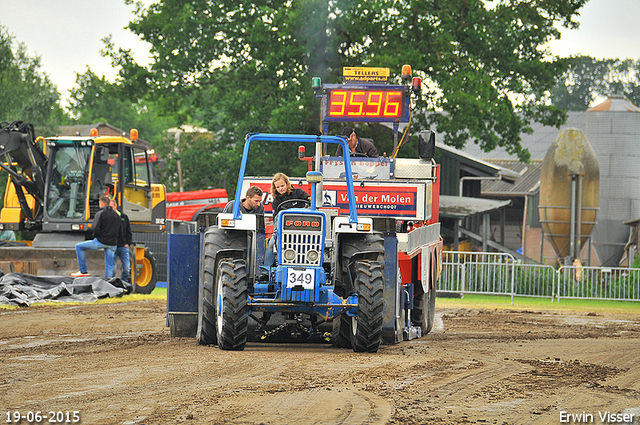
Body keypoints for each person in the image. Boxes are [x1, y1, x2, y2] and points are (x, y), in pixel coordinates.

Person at [265, 173, 310, 266]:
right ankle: (266, 269)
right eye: (278, 187)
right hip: (284, 230)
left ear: (287, 184)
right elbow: (276, 218)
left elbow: (309, 199)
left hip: (302, 228)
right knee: (271, 243)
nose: (281, 189)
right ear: (275, 188)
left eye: (282, 185)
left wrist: (311, 200)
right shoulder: (276, 201)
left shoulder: (298, 193)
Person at [71, 195, 120, 278]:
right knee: (109, 265)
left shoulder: (100, 213)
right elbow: (119, 229)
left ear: (101, 203)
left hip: (101, 241)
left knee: (79, 247)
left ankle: (83, 271)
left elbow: (95, 228)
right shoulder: (116, 215)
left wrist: (96, 236)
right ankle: (109, 283)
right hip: (112, 243)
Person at [110, 198, 133, 284]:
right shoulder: (108, 217)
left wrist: (128, 243)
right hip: (112, 245)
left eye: (111, 206)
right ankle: (112, 284)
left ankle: (125, 284)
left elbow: (128, 231)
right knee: (112, 268)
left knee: (127, 267)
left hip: (123, 246)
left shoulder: (124, 217)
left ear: (115, 206)